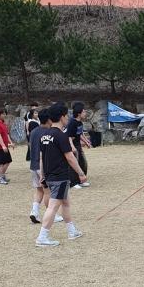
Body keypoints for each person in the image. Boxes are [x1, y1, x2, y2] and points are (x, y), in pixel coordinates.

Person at [36, 103, 87, 247]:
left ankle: (72, 231)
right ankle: (42, 237)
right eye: (66, 115)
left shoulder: (44, 135)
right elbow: (70, 157)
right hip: (59, 176)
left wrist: (42, 174)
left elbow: (42, 157)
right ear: (62, 117)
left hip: (50, 176)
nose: (68, 118)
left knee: (65, 203)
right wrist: (81, 173)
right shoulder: (61, 135)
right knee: (53, 207)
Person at [29, 107, 50, 223]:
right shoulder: (48, 132)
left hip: (33, 165)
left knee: (39, 190)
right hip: (43, 166)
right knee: (48, 191)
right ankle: (51, 214)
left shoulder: (33, 132)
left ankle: (34, 212)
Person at [67, 102, 91, 188]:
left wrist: (86, 142)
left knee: (83, 163)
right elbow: (69, 136)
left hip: (78, 145)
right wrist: (72, 147)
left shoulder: (80, 122)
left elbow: (80, 134)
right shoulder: (72, 123)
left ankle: (81, 180)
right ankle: (73, 183)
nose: (85, 113)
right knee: (74, 164)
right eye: (83, 111)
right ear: (79, 113)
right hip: (72, 146)